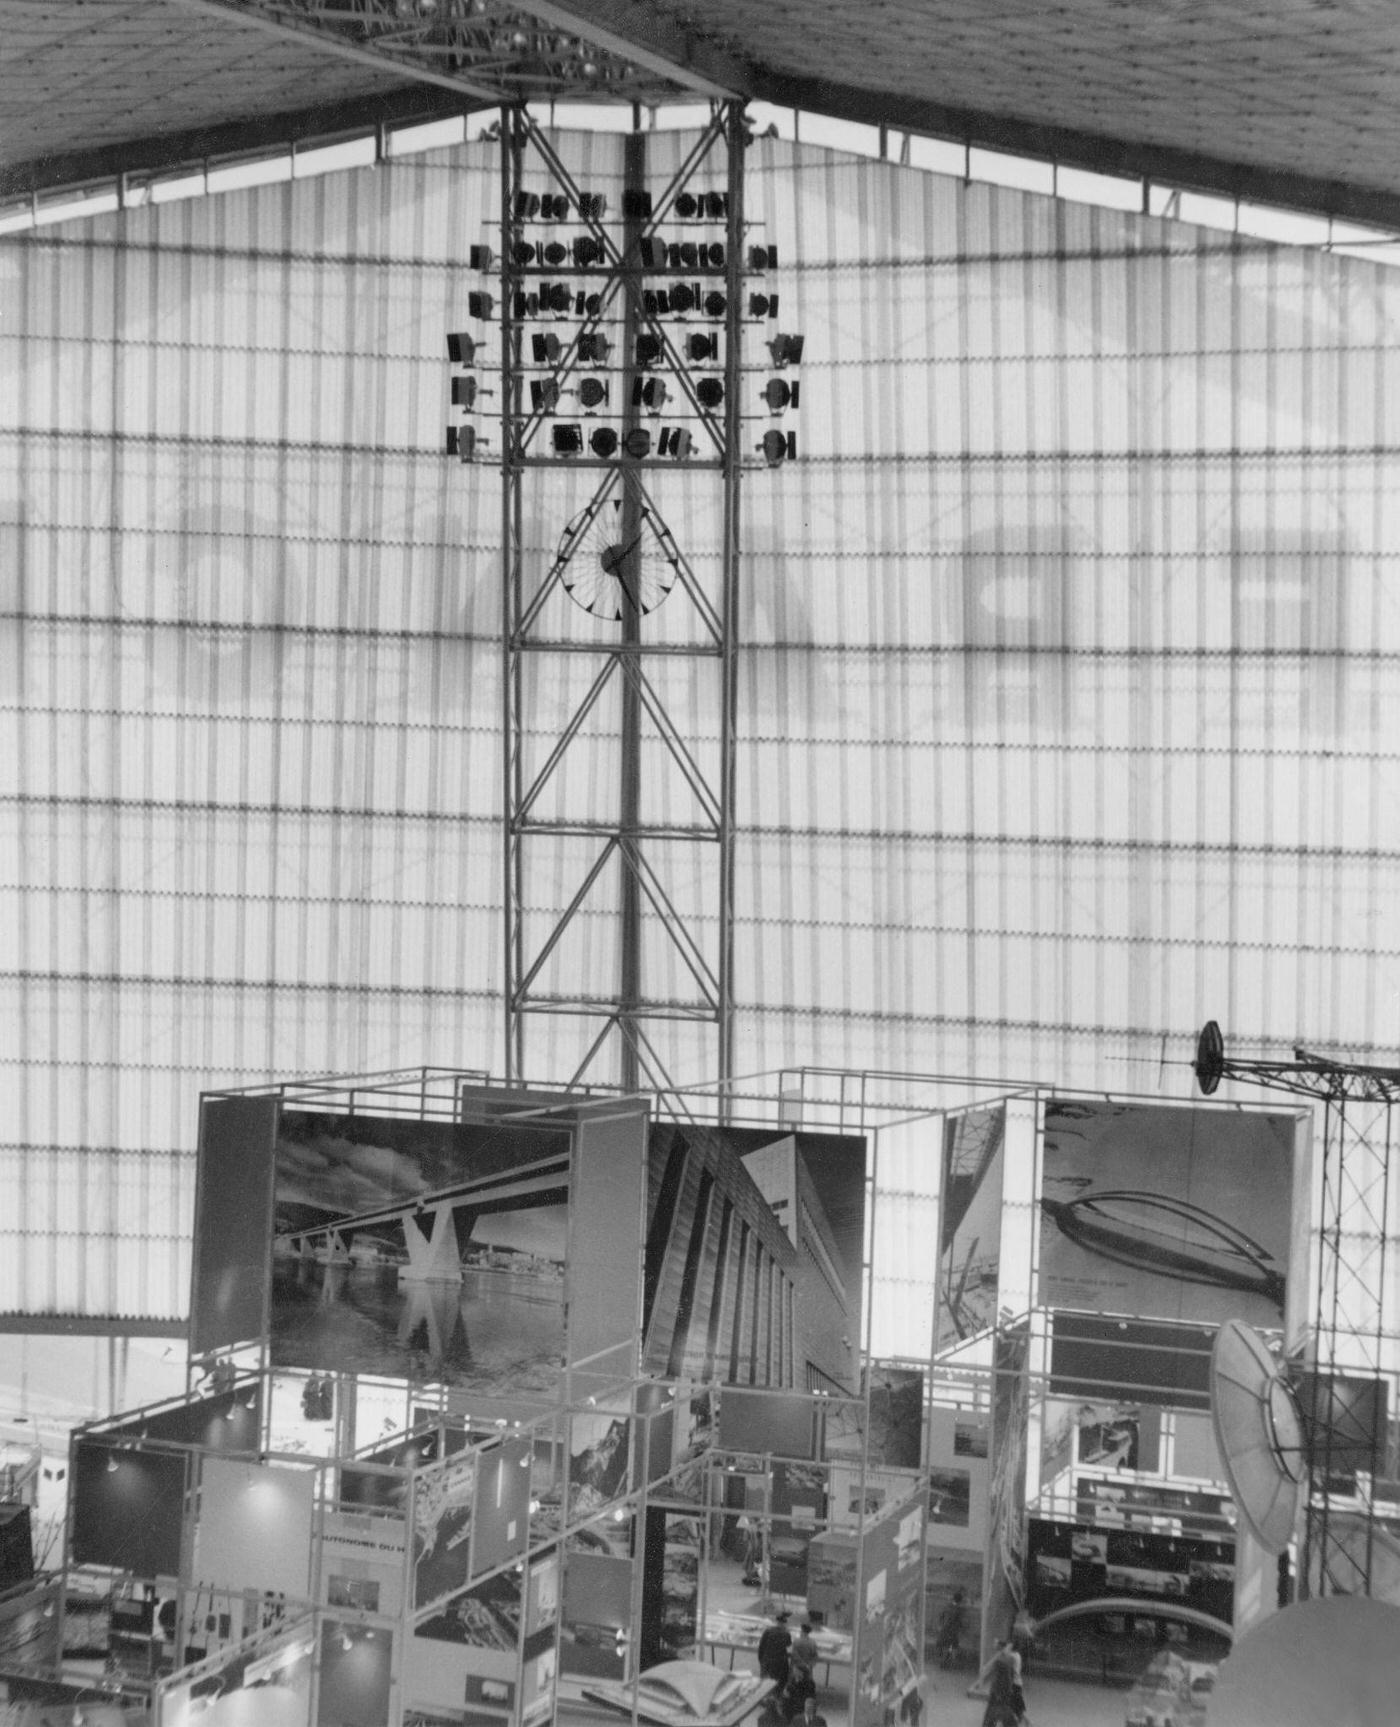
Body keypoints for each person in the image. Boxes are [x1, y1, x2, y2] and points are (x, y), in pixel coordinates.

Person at [757, 1610, 792, 1691]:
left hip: (767, 1660)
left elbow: (761, 1646)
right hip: (779, 1662)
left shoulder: (768, 1631)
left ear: (777, 1622)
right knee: (777, 1682)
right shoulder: (786, 1634)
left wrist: (761, 1659)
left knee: (764, 1681)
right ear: (784, 1623)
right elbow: (788, 1645)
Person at [935, 1588, 966, 1667]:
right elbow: (959, 1621)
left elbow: (941, 1616)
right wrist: (962, 1629)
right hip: (952, 1631)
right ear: (960, 1601)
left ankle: (944, 1661)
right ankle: (952, 1661)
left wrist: (940, 1625)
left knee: (946, 1646)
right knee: (953, 1646)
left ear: (953, 1599)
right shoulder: (959, 1610)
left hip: (944, 1629)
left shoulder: (947, 1606)